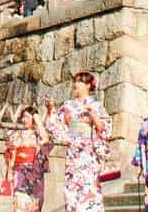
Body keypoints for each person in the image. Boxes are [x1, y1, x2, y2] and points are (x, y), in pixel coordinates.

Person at [44, 71, 113, 212]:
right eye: (75, 81)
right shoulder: (67, 105)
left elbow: (104, 129)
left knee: (90, 188)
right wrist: (50, 110)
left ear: (88, 85)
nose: (76, 84)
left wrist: (93, 116)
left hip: (90, 152)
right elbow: (55, 125)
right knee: (72, 189)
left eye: (80, 82)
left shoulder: (96, 105)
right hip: (74, 153)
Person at [4, 105, 53, 211]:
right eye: (23, 117)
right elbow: (12, 155)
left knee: (34, 207)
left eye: (27, 117)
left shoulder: (39, 135)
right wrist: (9, 173)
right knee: (20, 206)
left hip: (35, 176)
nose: (24, 120)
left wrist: (38, 121)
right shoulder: (15, 135)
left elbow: (46, 140)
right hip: (20, 175)